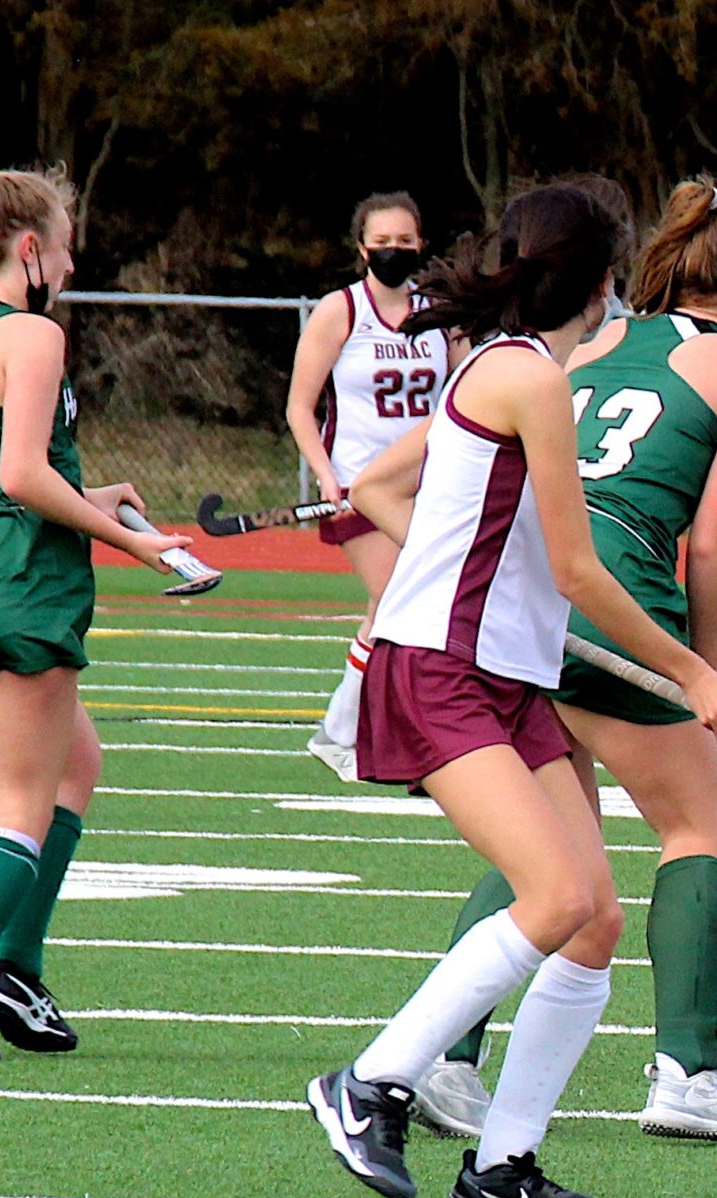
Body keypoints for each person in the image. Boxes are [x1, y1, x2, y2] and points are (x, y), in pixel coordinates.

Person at [305, 180, 717, 1198]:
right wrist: (696, 675)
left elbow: (418, 506)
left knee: (589, 920)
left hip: (509, 680)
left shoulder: (522, 370)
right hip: (445, 674)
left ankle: (501, 1169)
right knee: (550, 898)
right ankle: (369, 1082)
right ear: (601, 284)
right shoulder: (526, 379)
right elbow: (583, 572)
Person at [414, 178, 717, 1145]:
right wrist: (702, 672)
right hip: (617, 598)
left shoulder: (595, 343)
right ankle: (688, 1071)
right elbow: (710, 545)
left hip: (538, 601)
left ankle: (449, 1064)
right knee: (694, 825)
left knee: (553, 841)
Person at [0, 151, 198, 1059]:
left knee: (75, 762)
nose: (70, 268)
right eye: (63, 250)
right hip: (13, 578)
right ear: (28, 249)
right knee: (22, 797)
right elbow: (22, 475)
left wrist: (97, 498)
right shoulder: (35, 335)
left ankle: (14, 973)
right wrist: (139, 542)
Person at [284, 192, 456, 780]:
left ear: (421, 245)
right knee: (392, 602)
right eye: (381, 244)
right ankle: (342, 732)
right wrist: (326, 475)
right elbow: (300, 408)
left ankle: (385, 732)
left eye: (404, 243)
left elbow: (464, 393)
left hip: (428, 487)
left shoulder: (438, 311)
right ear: (361, 248)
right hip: (360, 489)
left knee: (418, 608)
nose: (392, 253)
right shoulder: (342, 312)